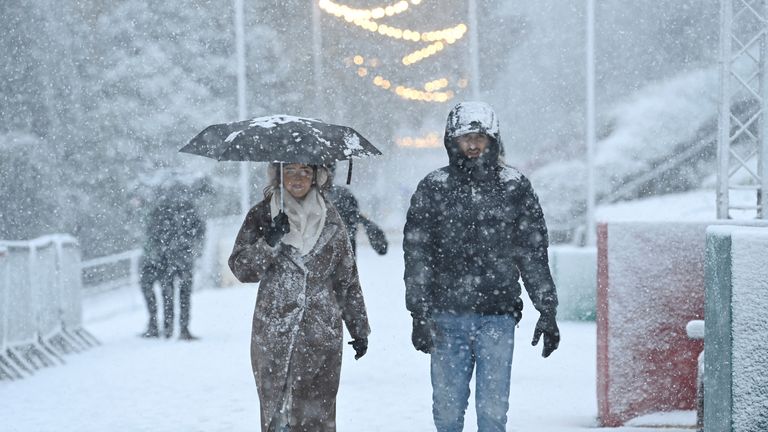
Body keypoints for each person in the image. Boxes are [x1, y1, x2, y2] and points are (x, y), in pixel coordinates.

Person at [403, 101, 560, 432]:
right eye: (465, 137)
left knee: (492, 413)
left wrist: (547, 309)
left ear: (493, 140)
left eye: (480, 137)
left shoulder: (514, 186)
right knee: (447, 413)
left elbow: (532, 251)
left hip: (497, 316)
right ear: (452, 140)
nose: (473, 145)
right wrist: (418, 312)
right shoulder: (434, 187)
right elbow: (417, 254)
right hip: (446, 316)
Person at [228, 162, 370, 432]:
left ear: (317, 176)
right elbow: (241, 269)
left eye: (305, 171)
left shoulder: (332, 217)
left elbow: (347, 278)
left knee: (317, 418)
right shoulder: (261, 214)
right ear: (279, 175)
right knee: (278, 418)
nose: (297, 178)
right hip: (274, 332)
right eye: (290, 170)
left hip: (321, 333)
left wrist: (359, 327)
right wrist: (269, 242)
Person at [139, 185, 205, 340]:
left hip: (167, 259)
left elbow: (152, 233)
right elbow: (200, 230)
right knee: (183, 295)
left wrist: (162, 249)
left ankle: (169, 328)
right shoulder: (188, 209)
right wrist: (191, 245)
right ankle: (182, 329)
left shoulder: (160, 210)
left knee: (168, 293)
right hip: (182, 258)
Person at [324, 162, 388, 256]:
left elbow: (355, 217)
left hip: (340, 258)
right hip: (342, 258)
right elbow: (356, 217)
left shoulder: (342, 196)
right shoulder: (342, 195)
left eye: (328, 168)